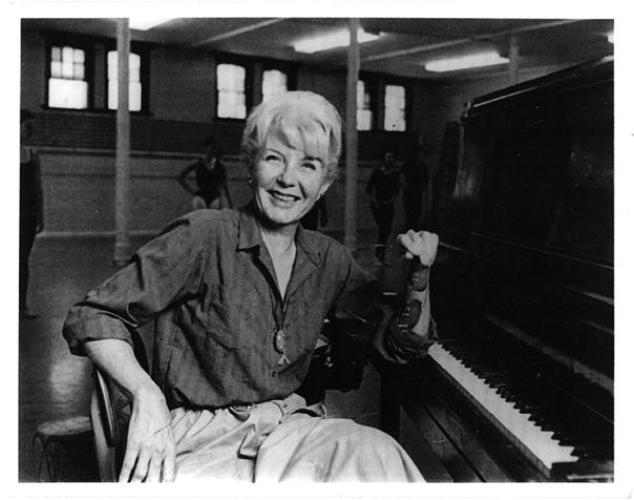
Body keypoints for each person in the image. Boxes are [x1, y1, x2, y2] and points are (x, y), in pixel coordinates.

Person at [62, 91, 439, 482]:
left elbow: (398, 348)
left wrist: (419, 279)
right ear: (251, 165)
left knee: (380, 455)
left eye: (308, 165)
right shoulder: (205, 234)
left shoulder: (329, 259)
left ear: (325, 184)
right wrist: (146, 395)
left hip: (290, 426)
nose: (288, 179)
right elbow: (93, 314)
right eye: (274, 158)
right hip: (200, 440)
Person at [20, 109, 44, 319]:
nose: (30, 131)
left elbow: (37, 187)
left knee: (22, 259)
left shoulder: (32, 154)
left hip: (27, 213)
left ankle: (21, 305)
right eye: (28, 126)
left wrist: (41, 215)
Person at [177, 137, 233, 210]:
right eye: (212, 148)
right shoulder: (198, 163)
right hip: (201, 195)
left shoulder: (220, 166)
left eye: (215, 148)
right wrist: (192, 191)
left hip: (214, 196)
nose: (213, 150)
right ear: (205, 148)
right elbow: (180, 177)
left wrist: (229, 201)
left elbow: (224, 185)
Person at [366, 149, 401, 264]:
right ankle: (379, 254)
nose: (390, 160)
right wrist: (375, 201)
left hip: (388, 204)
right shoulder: (377, 173)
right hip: (378, 204)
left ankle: (381, 254)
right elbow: (369, 189)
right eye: (388, 157)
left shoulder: (394, 174)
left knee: (387, 230)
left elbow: (396, 190)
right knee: (383, 229)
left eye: (392, 157)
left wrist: (392, 201)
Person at [402, 145, 429, 231]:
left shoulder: (422, 166)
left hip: (418, 192)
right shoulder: (408, 165)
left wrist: (424, 186)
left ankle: (414, 228)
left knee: (417, 212)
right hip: (409, 192)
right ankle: (410, 228)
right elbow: (402, 177)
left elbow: (426, 179)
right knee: (410, 212)